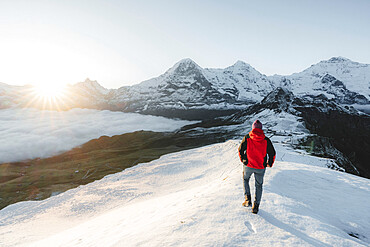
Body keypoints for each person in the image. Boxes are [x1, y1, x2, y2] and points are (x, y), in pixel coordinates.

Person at [238, 120, 276, 214]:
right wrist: (269, 163)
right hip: (260, 167)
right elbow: (272, 153)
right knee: (258, 185)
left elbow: (240, 150)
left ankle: (247, 200)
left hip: (249, 165)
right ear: (261, 129)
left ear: (253, 128)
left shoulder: (247, 137)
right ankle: (256, 206)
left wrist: (243, 160)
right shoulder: (266, 140)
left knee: (245, 179)